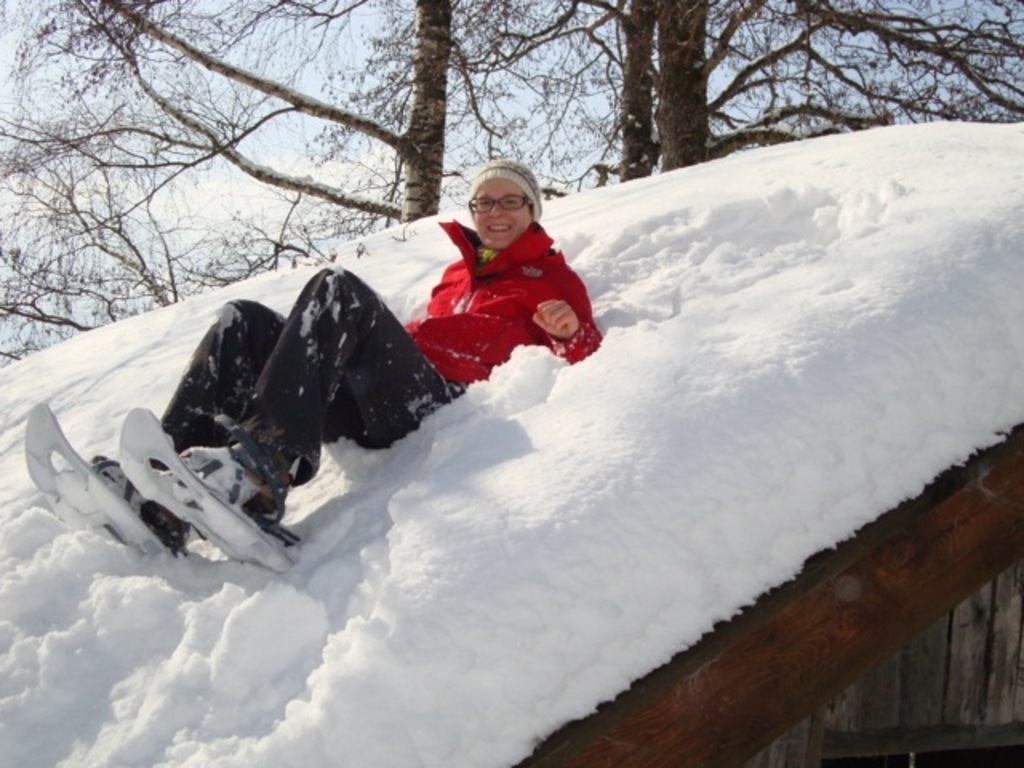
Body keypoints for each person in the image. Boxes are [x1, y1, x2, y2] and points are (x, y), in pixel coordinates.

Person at [97, 160, 602, 553]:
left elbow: (591, 357)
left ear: (532, 210)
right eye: (484, 203)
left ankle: (260, 472)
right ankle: (165, 480)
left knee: (339, 290)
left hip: (437, 406)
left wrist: (570, 333)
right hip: (377, 405)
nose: (495, 212)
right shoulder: (456, 278)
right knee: (243, 320)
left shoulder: (552, 278)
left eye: (510, 201)